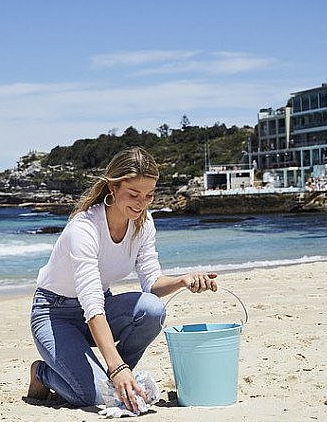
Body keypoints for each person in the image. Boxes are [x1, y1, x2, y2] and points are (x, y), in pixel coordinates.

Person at [27, 146, 218, 412]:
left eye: (149, 195)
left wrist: (183, 280)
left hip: (99, 310)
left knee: (152, 309)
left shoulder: (143, 222)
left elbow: (151, 283)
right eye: (134, 194)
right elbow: (92, 306)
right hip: (55, 315)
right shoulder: (84, 228)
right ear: (113, 188)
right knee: (91, 396)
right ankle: (43, 374)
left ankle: (116, 381)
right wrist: (117, 368)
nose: (142, 203)